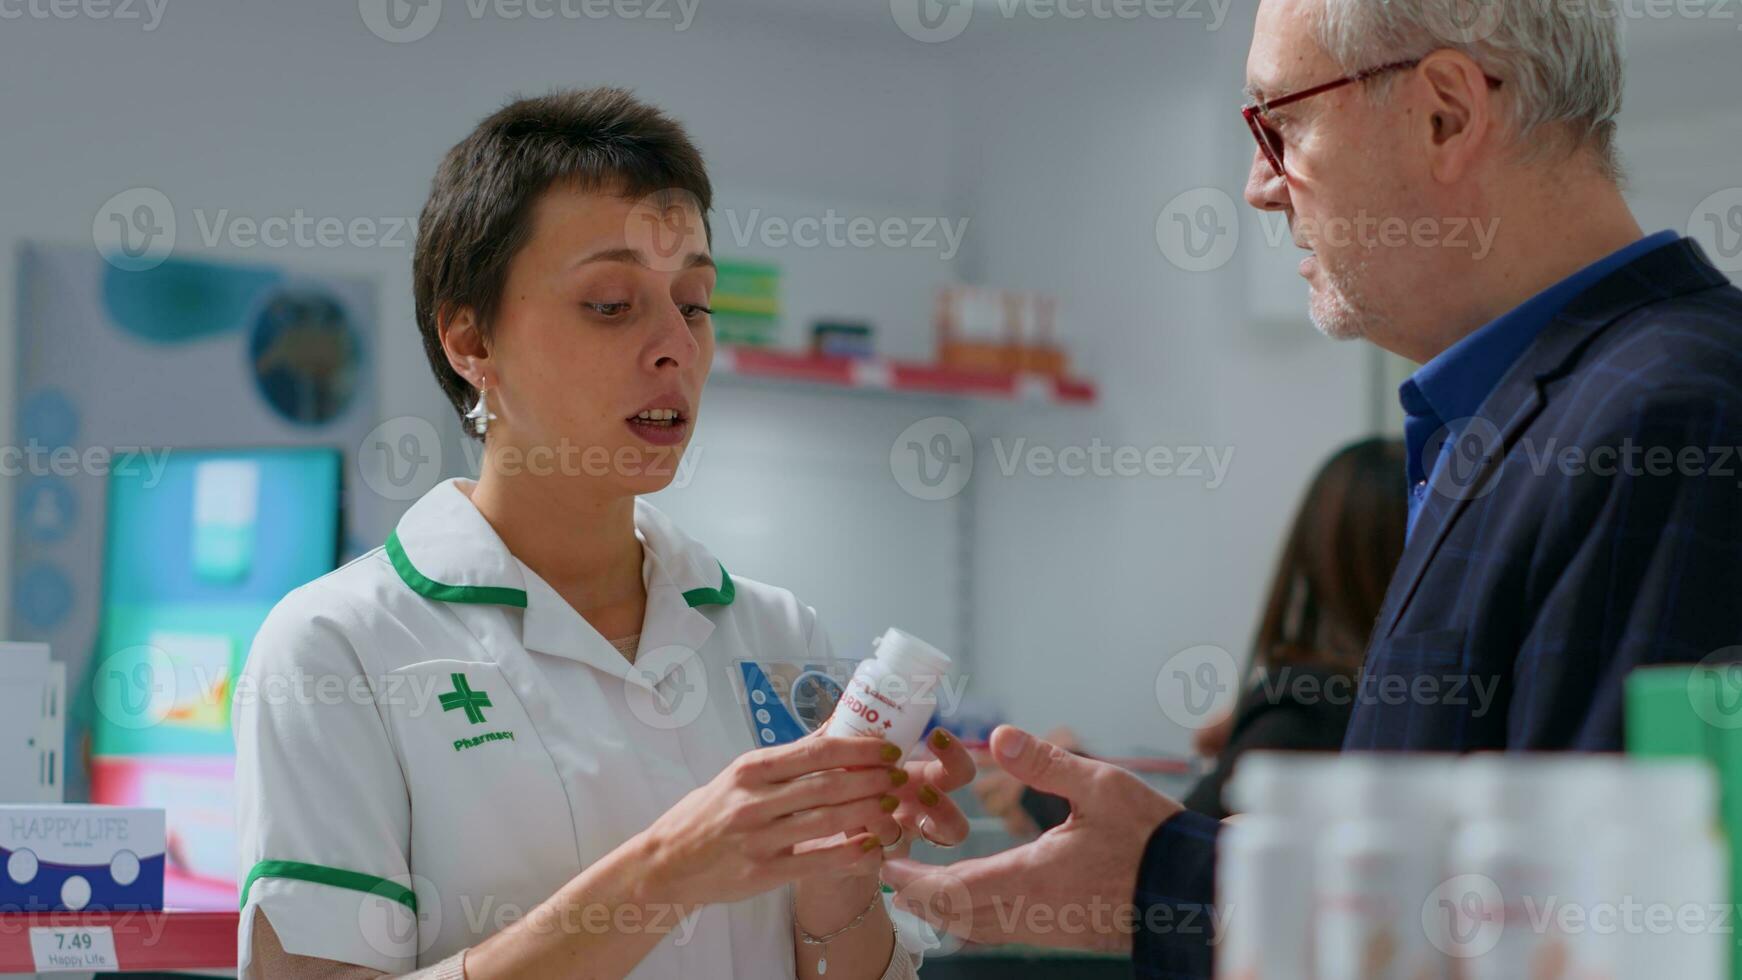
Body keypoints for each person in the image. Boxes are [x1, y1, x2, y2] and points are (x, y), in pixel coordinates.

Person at [884, 0, 1742, 974]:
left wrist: (1164, 879)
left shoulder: (1666, 417)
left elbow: (1588, 936)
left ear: (1446, 114)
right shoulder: (1518, 415)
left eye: (1276, 124)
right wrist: (1192, 863)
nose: (1257, 186)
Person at [232, 88, 977, 980]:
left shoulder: (778, 636)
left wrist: (840, 869)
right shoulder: (337, 648)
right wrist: (664, 875)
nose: (676, 346)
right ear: (472, 340)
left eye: (695, 303)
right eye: (613, 304)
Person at [972, 438, 1407, 834]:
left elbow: (1169, 855)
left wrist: (1051, 785)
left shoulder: (1306, 709)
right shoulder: (1401, 701)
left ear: (1315, 551)